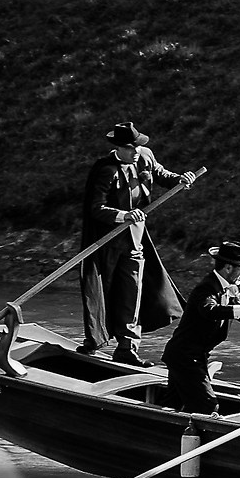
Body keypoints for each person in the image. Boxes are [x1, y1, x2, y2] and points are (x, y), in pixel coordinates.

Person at [78, 121, 194, 365]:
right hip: (107, 243)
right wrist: (124, 215)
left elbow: (161, 174)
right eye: (131, 148)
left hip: (134, 241)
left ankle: (127, 348)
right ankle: (96, 339)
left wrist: (179, 179)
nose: (136, 152)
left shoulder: (145, 156)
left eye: (138, 147)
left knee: (133, 292)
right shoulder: (105, 170)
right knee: (104, 292)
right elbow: (96, 208)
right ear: (119, 148)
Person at [161, 240, 240, 414]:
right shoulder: (207, 288)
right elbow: (210, 310)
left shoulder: (230, 289)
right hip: (184, 357)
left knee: (173, 402)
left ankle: (166, 429)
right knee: (207, 405)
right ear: (228, 268)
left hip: (195, 357)